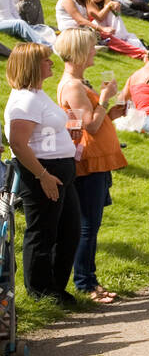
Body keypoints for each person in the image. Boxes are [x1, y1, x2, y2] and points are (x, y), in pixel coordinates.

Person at [51, 29, 126, 304]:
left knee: (90, 225)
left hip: (95, 160)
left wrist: (111, 110)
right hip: (89, 162)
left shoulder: (78, 82)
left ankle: (89, 279)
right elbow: (90, 126)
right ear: (81, 52)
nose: (95, 51)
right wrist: (105, 98)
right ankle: (85, 283)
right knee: (87, 226)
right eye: (92, 48)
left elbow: (90, 121)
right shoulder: (72, 85)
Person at [4, 43, 80, 305]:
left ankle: (56, 287)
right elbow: (18, 143)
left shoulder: (37, 94)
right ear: (32, 66)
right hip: (44, 173)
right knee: (43, 232)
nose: (51, 64)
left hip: (60, 170)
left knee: (69, 230)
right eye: (46, 60)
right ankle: (40, 291)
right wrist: (43, 175)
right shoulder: (25, 100)